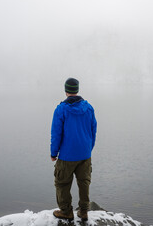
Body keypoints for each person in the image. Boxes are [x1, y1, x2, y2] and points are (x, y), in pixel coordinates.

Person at [50, 78, 97, 221]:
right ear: (77, 90)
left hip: (67, 155)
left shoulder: (61, 109)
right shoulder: (88, 108)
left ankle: (66, 211)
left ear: (66, 91)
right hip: (85, 154)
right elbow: (93, 130)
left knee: (62, 183)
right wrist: (88, 148)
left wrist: (54, 153)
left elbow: (56, 133)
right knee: (84, 182)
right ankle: (83, 211)